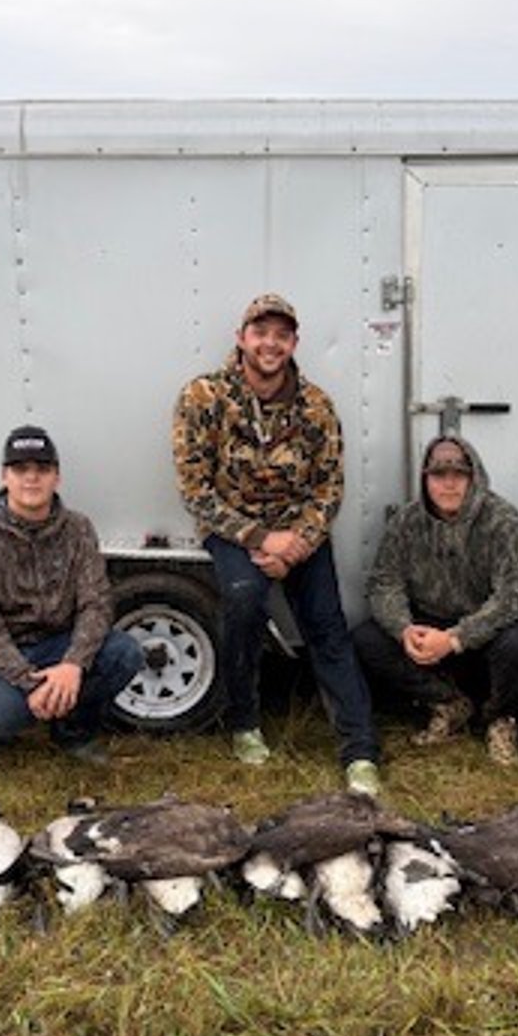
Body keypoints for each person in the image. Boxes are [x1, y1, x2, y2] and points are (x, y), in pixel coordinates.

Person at [172, 292, 382, 796]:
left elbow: (329, 487)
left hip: (301, 534)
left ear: (293, 343)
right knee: (243, 601)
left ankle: (360, 752)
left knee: (328, 627)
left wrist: (298, 543)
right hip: (233, 530)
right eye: (260, 333)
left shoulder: (315, 407)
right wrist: (263, 539)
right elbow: (195, 490)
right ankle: (244, 723)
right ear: (242, 339)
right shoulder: (203, 397)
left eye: (281, 335)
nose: (270, 343)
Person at [0, 425, 145, 767]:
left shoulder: (79, 529)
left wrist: (72, 664)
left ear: (57, 478)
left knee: (125, 653)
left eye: (42, 470)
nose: (31, 479)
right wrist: (28, 682)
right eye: (21, 470)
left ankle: (74, 732)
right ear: (4, 476)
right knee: (4, 714)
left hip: (55, 643)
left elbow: (96, 603)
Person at [351, 434, 518, 766]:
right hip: (429, 626)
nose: (449, 484)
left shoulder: (502, 520)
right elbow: (384, 583)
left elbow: (515, 596)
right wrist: (404, 630)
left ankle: (500, 720)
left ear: (474, 478)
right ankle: (448, 704)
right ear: (426, 480)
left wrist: (456, 639)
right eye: (439, 476)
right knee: (366, 639)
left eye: (459, 475)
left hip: (483, 633)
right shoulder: (407, 522)